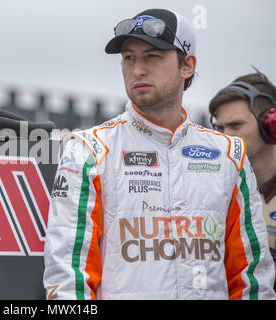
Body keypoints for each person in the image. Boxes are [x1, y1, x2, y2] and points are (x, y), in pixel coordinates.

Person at [43, 8, 276, 300]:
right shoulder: (89, 150)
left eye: (152, 56)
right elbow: (67, 279)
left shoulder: (229, 155)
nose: (137, 69)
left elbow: (253, 279)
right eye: (129, 58)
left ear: (187, 65)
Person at [209, 71, 276, 290]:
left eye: (235, 126)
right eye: (219, 128)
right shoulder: (212, 191)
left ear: (270, 126)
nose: (224, 138)